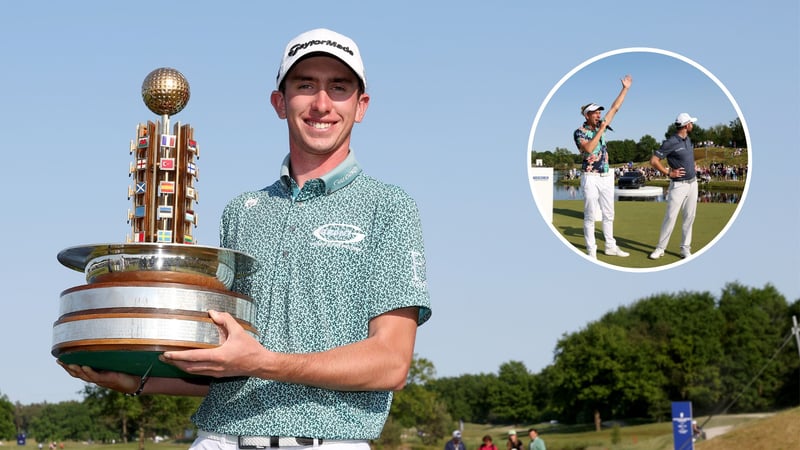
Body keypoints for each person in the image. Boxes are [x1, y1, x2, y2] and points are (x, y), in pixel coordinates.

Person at [59, 28, 432, 449]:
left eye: (339, 87)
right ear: (280, 102)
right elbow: (232, 370)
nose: (322, 104)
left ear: (361, 106)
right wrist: (137, 379)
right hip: (218, 438)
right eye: (305, 85)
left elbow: (391, 363)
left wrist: (265, 362)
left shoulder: (389, 206)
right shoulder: (243, 211)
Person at [573, 75, 633, 259]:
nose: (599, 115)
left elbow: (615, 108)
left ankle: (610, 246)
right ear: (587, 115)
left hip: (606, 176)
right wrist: (600, 130)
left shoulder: (601, 124)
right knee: (591, 215)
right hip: (590, 176)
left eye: (600, 112)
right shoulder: (579, 132)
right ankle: (591, 250)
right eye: (596, 112)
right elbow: (589, 149)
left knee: (609, 214)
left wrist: (625, 89)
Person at [648, 113, 699, 259]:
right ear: (686, 125)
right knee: (670, 217)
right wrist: (669, 172)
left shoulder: (688, 140)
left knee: (690, 216)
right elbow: (654, 160)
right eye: (691, 123)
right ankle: (660, 248)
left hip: (693, 183)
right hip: (678, 185)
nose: (692, 125)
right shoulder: (670, 142)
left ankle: (685, 248)